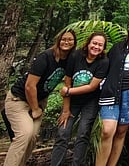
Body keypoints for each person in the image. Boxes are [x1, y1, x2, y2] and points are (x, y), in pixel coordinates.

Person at [4, 29, 77, 166]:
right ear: (58, 40)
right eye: (63, 39)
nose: (66, 42)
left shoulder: (69, 60)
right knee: (24, 135)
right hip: (19, 100)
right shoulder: (46, 57)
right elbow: (29, 86)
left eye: (70, 40)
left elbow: (68, 82)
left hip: (39, 102)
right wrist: (35, 108)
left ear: (74, 43)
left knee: (32, 139)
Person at [96, 21, 129, 166]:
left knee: (121, 132)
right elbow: (105, 65)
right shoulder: (117, 47)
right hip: (112, 91)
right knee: (108, 131)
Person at [50, 32, 109, 166]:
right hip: (72, 101)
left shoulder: (104, 62)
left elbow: (92, 87)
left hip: (91, 101)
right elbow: (68, 82)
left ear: (103, 48)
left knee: (83, 134)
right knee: (63, 132)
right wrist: (66, 109)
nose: (96, 47)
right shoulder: (75, 56)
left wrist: (68, 91)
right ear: (88, 43)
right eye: (94, 43)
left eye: (100, 45)